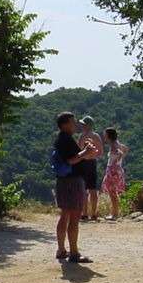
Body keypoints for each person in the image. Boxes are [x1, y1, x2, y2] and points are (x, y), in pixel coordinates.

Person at [53, 111, 100, 263]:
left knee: (65, 214)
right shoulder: (66, 140)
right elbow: (71, 160)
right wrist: (86, 152)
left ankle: (61, 249)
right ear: (65, 124)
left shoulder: (62, 139)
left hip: (64, 180)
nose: (75, 125)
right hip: (73, 181)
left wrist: (83, 151)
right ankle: (74, 253)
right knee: (74, 216)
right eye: (73, 123)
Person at [78, 115, 104, 221]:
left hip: (91, 163)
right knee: (83, 189)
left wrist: (92, 153)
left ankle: (93, 213)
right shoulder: (81, 136)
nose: (82, 126)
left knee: (92, 190)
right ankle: (84, 213)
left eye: (83, 124)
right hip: (83, 163)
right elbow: (78, 149)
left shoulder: (96, 136)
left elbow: (100, 151)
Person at [101, 127, 130, 221]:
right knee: (113, 193)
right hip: (117, 170)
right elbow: (125, 150)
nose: (104, 136)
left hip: (113, 171)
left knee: (112, 193)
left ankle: (114, 214)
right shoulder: (118, 143)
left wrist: (115, 163)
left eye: (105, 134)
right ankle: (115, 213)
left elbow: (120, 153)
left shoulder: (114, 145)